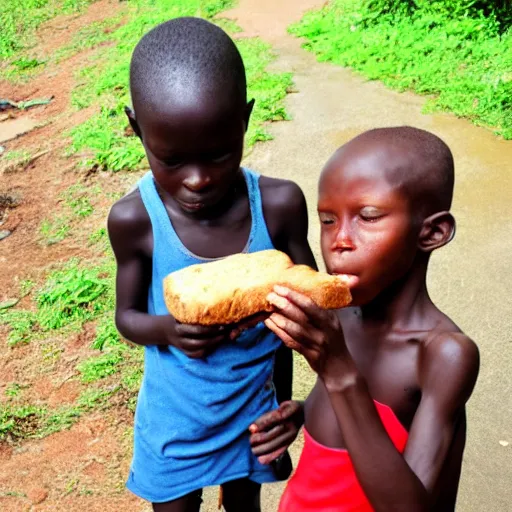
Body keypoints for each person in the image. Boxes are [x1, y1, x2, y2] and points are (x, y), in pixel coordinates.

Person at [107, 16, 316, 512]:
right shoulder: (135, 219)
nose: (198, 180)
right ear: (136, 128)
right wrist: (169, 330)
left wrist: (294, 409)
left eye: (219, 155)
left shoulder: (279, 206)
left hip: (254, 413)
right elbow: (127, 317)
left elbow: (311, 315)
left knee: (245, 507)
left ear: (244, 120)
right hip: (175, 421)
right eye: (172, 159)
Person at [251, 127, 480, 511]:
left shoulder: (443, 354)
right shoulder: (341, 317)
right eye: (327, 220)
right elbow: (353, 421)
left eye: (368, 217)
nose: (340, 240)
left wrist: (339, 373)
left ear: (433, 232)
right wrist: (306, 415)